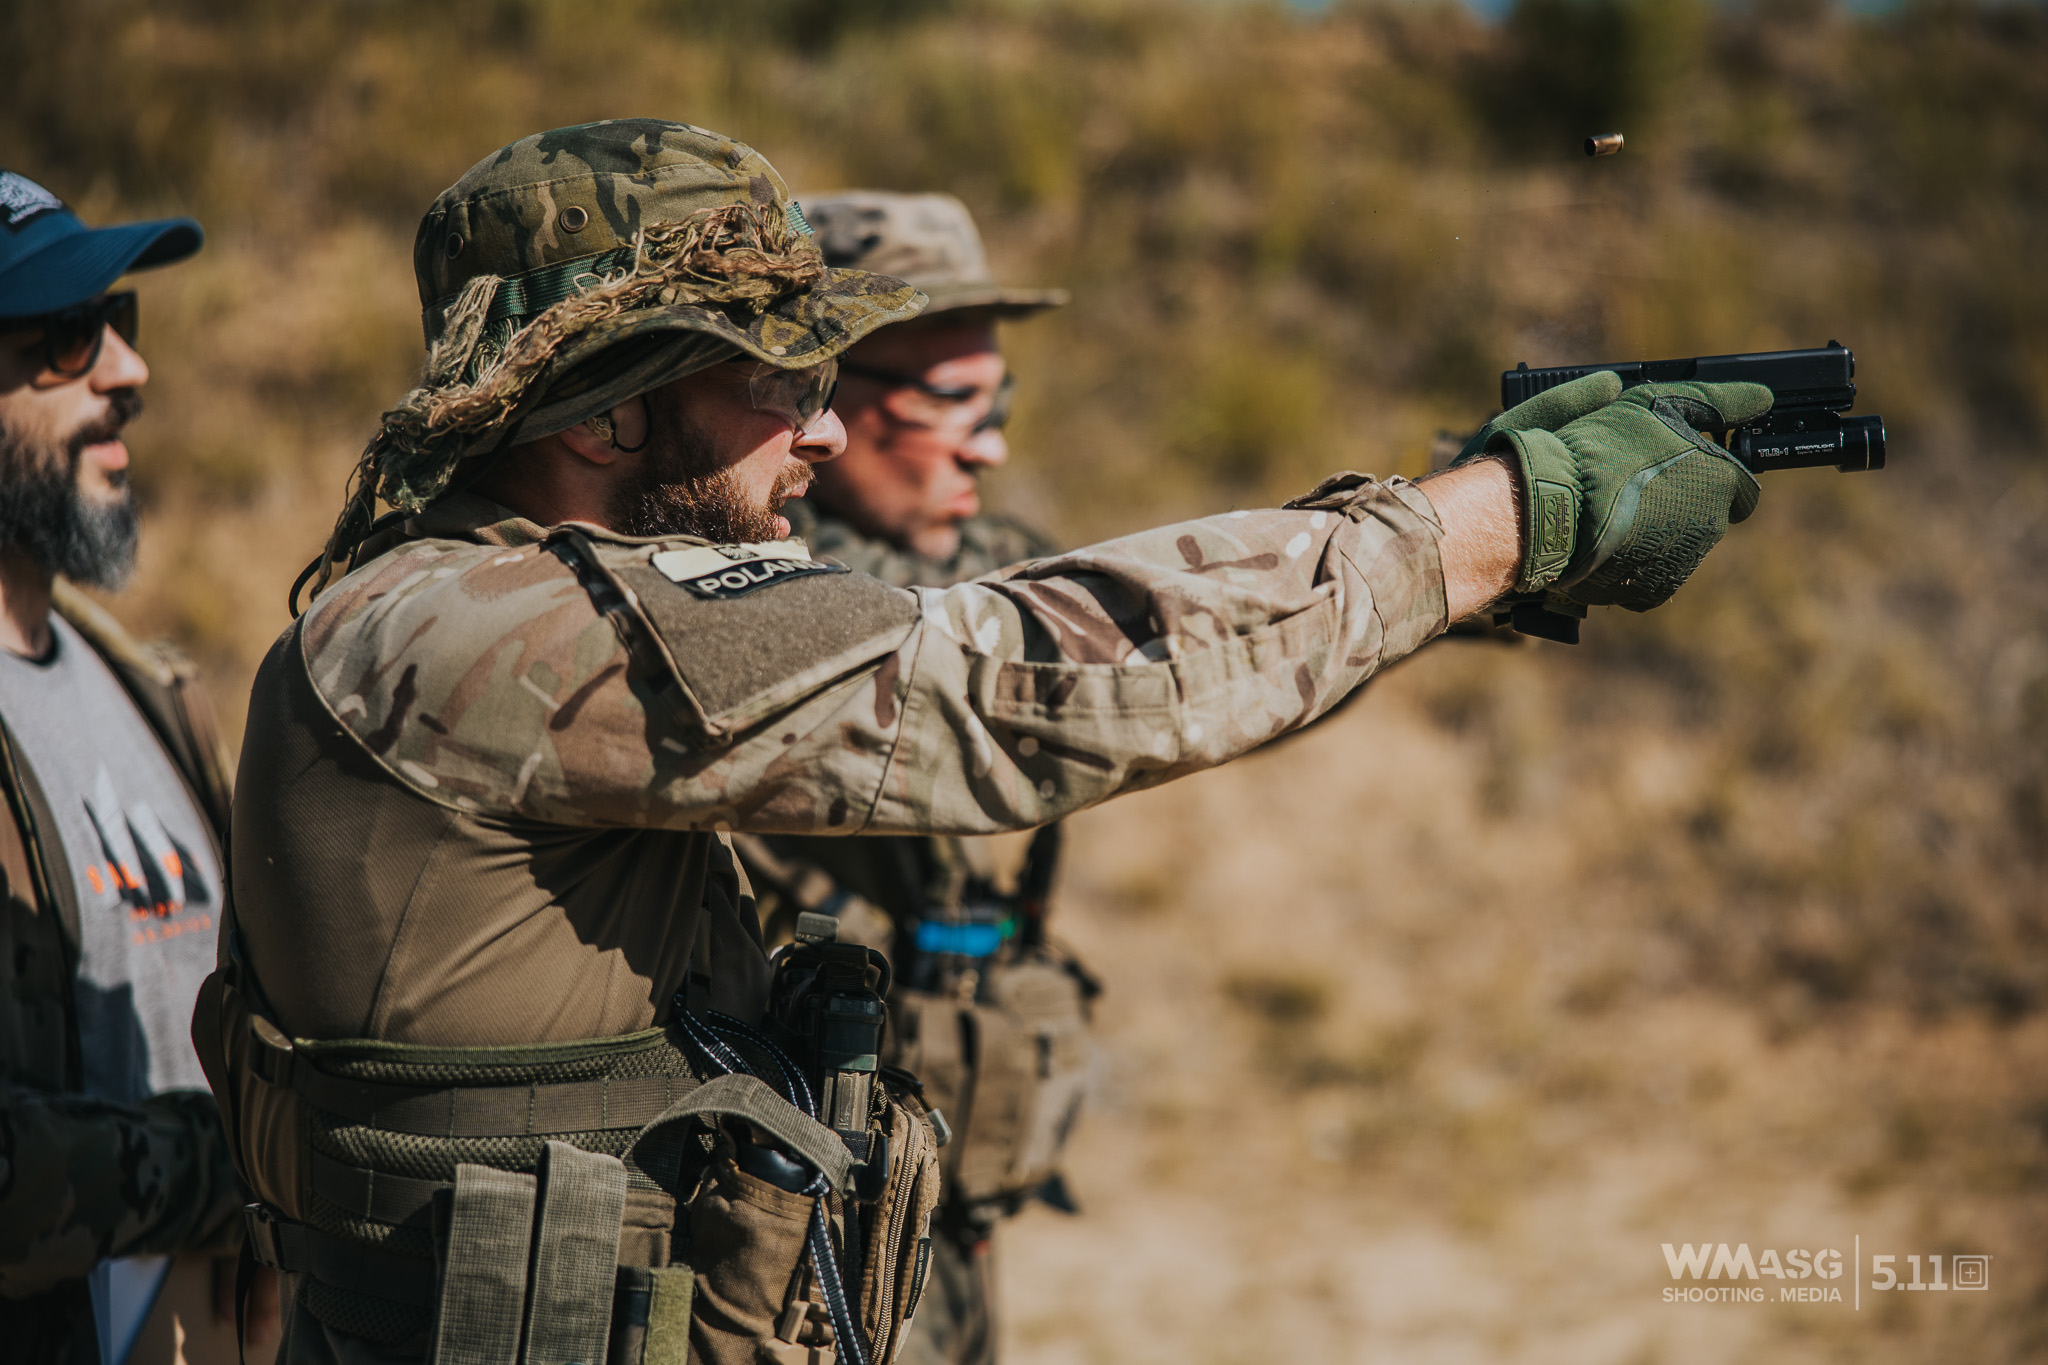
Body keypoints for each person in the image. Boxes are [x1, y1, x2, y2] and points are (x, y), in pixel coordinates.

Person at [204, 119, 1772, 1365]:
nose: (821, 427)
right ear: (605, 417)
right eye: (775, 379)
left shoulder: (463, 604)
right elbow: (1012, 678)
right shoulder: (489, 632)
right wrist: (1499, 520)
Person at [737, 189, 1082, 1365]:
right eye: (950, 402)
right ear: (816, 397)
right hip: (793, 1227)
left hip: (926, 1197)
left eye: (1000, 401)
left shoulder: (949, 559)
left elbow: (1125, 612)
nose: (986, 444)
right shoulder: (757, 608)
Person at [0, 170, 273, 1365]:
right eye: (66, 337)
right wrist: (244, 1170)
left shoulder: (155, 693)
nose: (128, 372)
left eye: (123, 324)